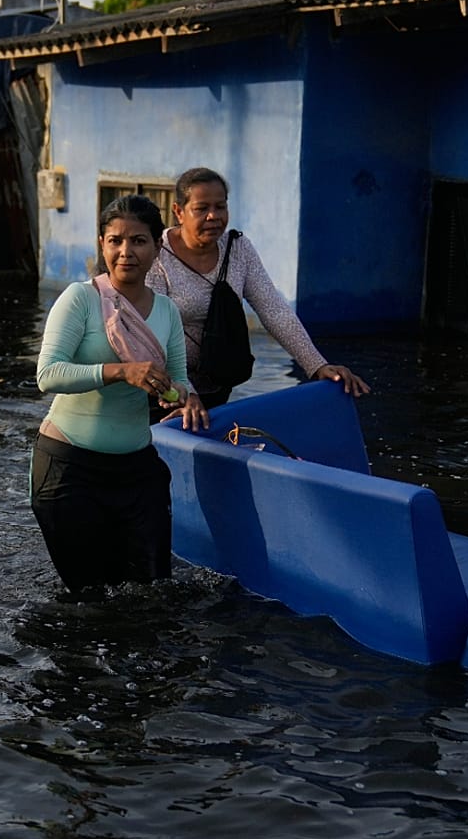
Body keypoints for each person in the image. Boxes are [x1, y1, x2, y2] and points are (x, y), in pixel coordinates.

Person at [31, 195, 208, 591]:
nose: (126, 251)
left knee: (151, 591)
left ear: (157, 247)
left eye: (138, 241)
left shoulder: (167, 311)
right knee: (90, 598)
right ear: (102, 244)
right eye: (115, 240)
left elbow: (180, 379)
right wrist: (121, 371)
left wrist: (178, 394)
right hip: (69, 470)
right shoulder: (81, 299)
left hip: (136, 471)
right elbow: (48, 374)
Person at [146, 166, 371, 408]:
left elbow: (274, 311)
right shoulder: (157, 254)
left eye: (220, 206)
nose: (213, 216)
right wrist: (186, 393)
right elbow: (155, 337)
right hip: (165, 392)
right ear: (179, 212)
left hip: (217, 385)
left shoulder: (238, 248)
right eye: (201, 208)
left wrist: (318, 366)